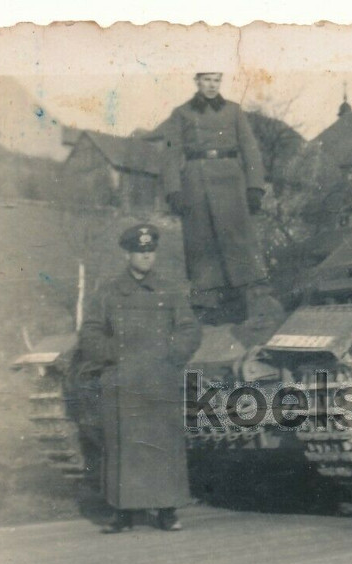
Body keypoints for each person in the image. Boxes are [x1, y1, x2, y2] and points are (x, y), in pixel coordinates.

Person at [79, 224, 202, 532]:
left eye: (151, 251)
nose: (147, 257)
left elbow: (189, 329)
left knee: (163, 446)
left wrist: (170, 356)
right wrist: (114, 354)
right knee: (122, 447)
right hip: (122, 380)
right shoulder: (108, 291)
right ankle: (121, 514)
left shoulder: (169, 290)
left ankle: (166, 512)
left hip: (159, 379)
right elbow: (90, 332)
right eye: (141, 251)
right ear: (129, 253)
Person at [161, 72, 270, 324]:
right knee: (201, 240)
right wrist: (173, 190)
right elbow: (170, 154)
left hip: (231, 178)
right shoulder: (182, 114)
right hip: (195, 180)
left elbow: (250, 149)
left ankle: (245, 300)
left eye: (216, 80)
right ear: (196, 81)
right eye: (206, 80)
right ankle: (207, 304)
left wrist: (255, 187)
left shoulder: (233, 111)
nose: (212, 85)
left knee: (238, 238)